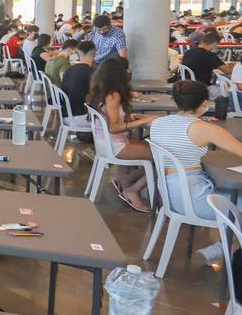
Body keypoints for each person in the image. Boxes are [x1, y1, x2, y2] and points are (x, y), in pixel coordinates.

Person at [151, 80, 242, 223]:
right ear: (205, 103)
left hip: (167, 196)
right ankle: (222, 246)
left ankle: (224, 245)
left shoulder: (157, 123)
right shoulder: (204, 129)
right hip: (195, 201)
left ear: (176, 102)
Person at [86, 58, 155, 212]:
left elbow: (114, 118)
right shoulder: (113, 95)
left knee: (154, 150)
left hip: (104, 144)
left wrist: (137, 117)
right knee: (163, 155)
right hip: (115, 145)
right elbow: (114, 127)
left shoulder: (100, 90)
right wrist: (142, 122)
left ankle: (126, 180)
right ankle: (132, 190)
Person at [61, 41, 97, 115]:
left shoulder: (68, 70)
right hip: (81, 116)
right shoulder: (93, 73)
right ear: (94, 54)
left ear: (78, 54)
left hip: (65, 114)